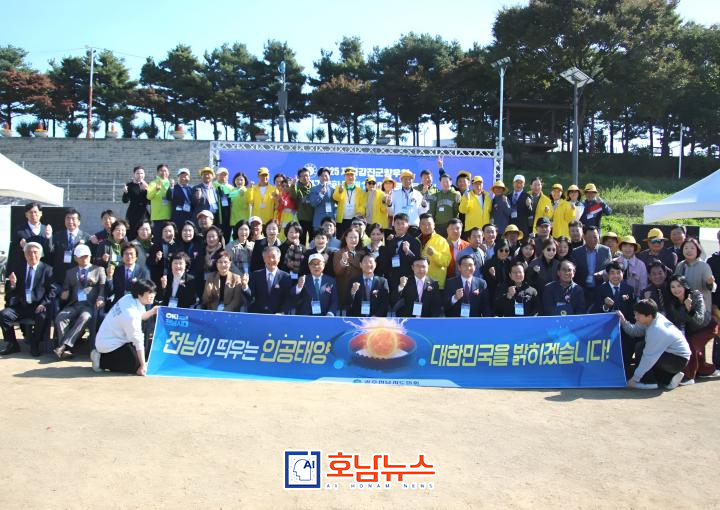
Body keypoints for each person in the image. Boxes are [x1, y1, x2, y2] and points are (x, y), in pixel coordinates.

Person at [91, 279, 158, 376]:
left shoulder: (129, 298)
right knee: (135, 364)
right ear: (140, 294)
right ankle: (100, 360)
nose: (153, 295)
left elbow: (141, 316)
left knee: (146, 351)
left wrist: (152, 311)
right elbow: (138, 340)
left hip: (120, 338)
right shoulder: (131, 314)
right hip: (109, 345)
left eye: (153, 292)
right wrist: (143, 366)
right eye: (149, 293)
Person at [619, 299, 690, 390]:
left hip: (677, 360)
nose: (635, 317)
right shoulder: (652, 317)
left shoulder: (657, 330)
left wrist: (634, 379)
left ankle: (649, 382)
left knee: (641, 348)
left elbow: (648, 359)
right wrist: (623, 321)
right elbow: (635, 331)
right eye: (635, 314)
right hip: (674, 356)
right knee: (643, 351)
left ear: (648, 316)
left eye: (638, 315)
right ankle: (669, 378)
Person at [0, 242, 56, 356]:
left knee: (42, 316)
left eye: (35, 252)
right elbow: (11, 291)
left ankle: (34, 343)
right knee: (4, 314)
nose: (32, 255)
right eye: (29, 253)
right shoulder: (18, 268)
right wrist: (13, 284)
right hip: (21, 305)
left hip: (38, 305)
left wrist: (44, 303)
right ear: (25, 255)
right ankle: (12, 344)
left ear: (40, 254)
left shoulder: (47, 269)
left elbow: (52, 290)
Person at [53, 244, 106, 360]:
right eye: (81, 257)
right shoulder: (70, 272)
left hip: (89, 305)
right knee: (61, 317)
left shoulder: (98, 270)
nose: (84, 259)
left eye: (86, 256)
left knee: (85, 317)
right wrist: (64, 293)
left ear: (90, 256)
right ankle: (66, 349)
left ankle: (63, 346)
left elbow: (103, 288)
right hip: (74, 304)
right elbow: (65, 288)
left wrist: (100, 298)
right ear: (75, 258)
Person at [665, 275, 718, 384]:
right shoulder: (673, 302)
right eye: (673, 287)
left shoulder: (696, 295)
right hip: (691, 330)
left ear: (685, 286)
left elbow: (700, 319)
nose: (676, 289)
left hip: (708, 326)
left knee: (690, 345)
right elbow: (678, 321)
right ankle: (708, 370)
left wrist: (690, 309)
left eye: (679, 286)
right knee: (685, 344)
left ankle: (689, 376)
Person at [241, 245, 294, 314]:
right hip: (258, 314)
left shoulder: (286, 277)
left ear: (279, 259)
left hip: (277, 315)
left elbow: (287, 298)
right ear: (264, 259)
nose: (271, 260)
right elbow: (250, 296)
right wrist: (245, 286)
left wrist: (281, 313)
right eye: (268, 257)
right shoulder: (256, 275)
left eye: (273, 257)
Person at [8, 202, 52, 277]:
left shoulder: (46, 229)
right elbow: (13, 253)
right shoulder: (19, 230)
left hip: (42, 270)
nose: (33, 214)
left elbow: (50, 251)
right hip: (24, 270)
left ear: (41, 213)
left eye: (35, 212)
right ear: (26, 215)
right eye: (30, 212)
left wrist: (49, 236)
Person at [48, 207, 90, 286]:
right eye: (68, 218)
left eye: (73, 219)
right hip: (60, 277)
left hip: (78, 278)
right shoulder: (57, 235)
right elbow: (50, 252)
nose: (70, 221)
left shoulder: (86, 237)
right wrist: (49, 237)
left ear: (79, 222)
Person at [571, 225, 612, 304]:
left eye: (595, 237)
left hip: (600, 289)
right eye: (589, 237)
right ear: (584, 237)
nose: (592, 239)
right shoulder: (576, 252)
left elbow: (610, 269)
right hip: (581, 290)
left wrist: (603, 273)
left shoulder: (605, 251)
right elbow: (573, 272)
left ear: (599, 236)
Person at [104, 243, 151, 310]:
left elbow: (147, 291)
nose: (129, 256)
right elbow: (110, 292)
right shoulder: (116, 270)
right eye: (126, 254)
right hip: (119, 305)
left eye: (131, 254)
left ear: (136, 257)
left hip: (136, 305)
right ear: (122, 257)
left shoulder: (143, 272)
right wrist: (109, 277)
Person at [381, 213, 421, 292]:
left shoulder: (414, 242)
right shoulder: (390, 241)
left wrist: (408, 251)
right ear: (393, 225)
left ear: (408, 226)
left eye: (403, 223)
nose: (400, 226)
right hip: (391, 279)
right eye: (398, 223)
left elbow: (417, 261)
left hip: (407, 279)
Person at [674, 238, 716, 311]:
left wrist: (710, 283)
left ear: (697, 250)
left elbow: (712, 288)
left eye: (692, 248)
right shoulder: (680, 265)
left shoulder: (704, 266)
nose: (689, 250)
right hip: (683, 307)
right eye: (686, 248)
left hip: (700, 309)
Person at [348, 253, 390, 317]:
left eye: (371, 262)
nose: (368, 264)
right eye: (365, 262)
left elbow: (385, 303)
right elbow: (347, 303)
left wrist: (376, 316)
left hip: (376, 320)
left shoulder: (382, 282)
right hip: (357, 319)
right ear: (360, 265)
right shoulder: (353, 281)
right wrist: (352, 292)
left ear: (375, 264)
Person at [333, 228, 365, 311]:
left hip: (359, 286)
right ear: (346, 238)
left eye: (356, 237)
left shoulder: (363, 254)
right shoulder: (339, 253)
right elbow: (337, 272)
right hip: (344, 286)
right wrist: (343, 261)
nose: (353, 240)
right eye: (351, 237)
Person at [418, 213, 451, 290]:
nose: (426, 227)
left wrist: (434, 254)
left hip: (436, 284)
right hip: (419, 283)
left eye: (429, 224)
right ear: (419, 226)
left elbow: (446, 262)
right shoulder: (416, 240)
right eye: (423, 224)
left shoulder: (442, 240)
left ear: (434, 225)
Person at [332, 167, 366, 238]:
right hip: (342, 219)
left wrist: (359, 212)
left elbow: (362, 204)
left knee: (353, 238)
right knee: (340, 238)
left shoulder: (360, 190)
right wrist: (340, 192)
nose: (350, 177)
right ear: (344, 177)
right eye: (348, 175)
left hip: (354, 220)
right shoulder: (339, 187)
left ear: (355, 177)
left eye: (352, 175)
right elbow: (335, 198)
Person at [122, 166, 150, 240]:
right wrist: (125, 192)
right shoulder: (129, 185)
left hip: (143, 213)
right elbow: (125, 200)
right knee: (132, 233)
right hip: (133, 212)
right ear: (134, 174)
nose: (140, 175)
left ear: (144, 174)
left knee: (144, 232)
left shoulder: (147, 184)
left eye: (142, 173)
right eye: (137, 173)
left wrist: (147, 189)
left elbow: (150, 201)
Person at [146, 163, 172, 240]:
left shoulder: (171, 184)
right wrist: (156, 190)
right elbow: (149, 197)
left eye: (165, 171)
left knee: (170, 239)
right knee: (158, 239)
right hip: (158, 217)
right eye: (161, 171)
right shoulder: (153, 183)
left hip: (169, 216)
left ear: (168, 172)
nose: (163, 173)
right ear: (157, 172)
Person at [309, 167, 337, 235]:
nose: (324, 178)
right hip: (319, 221)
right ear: (318, 177)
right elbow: (313, 203)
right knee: (319, 239)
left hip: (330, 221)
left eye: (326, 176)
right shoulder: (314, 189)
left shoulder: (333, 189)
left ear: (329, 177)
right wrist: (321, 194)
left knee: (330, 240)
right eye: (322, 176)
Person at [148, 222, 177, 286]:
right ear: (161, 234)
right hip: (157, 278)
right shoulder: (155, 246)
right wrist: (156, 259)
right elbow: (149, 262)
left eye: (170, 231)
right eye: (165, 231)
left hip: (173, 278)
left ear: (174, 233)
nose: (168, 233)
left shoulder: (177, 246)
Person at [291, 167, 314, 246]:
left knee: (312, 241)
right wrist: (293, 185)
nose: (305, 178)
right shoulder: (297, 187)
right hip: (301, 219)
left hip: (312, 218)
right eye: (302, 176)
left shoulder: (314, 188)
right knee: (301, 241)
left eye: (307, 175)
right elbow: (293, 196)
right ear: (299, 178)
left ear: (310, 176)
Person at [506, 174, 533, 238]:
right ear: (513, 183)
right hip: (511, 227)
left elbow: (530, 214)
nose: (518, 185)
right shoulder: (508, 196)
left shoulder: (527, 196)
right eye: (517, 182)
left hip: (522, 228)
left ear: (523, 185)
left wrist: (528, 206)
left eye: (521, 183)